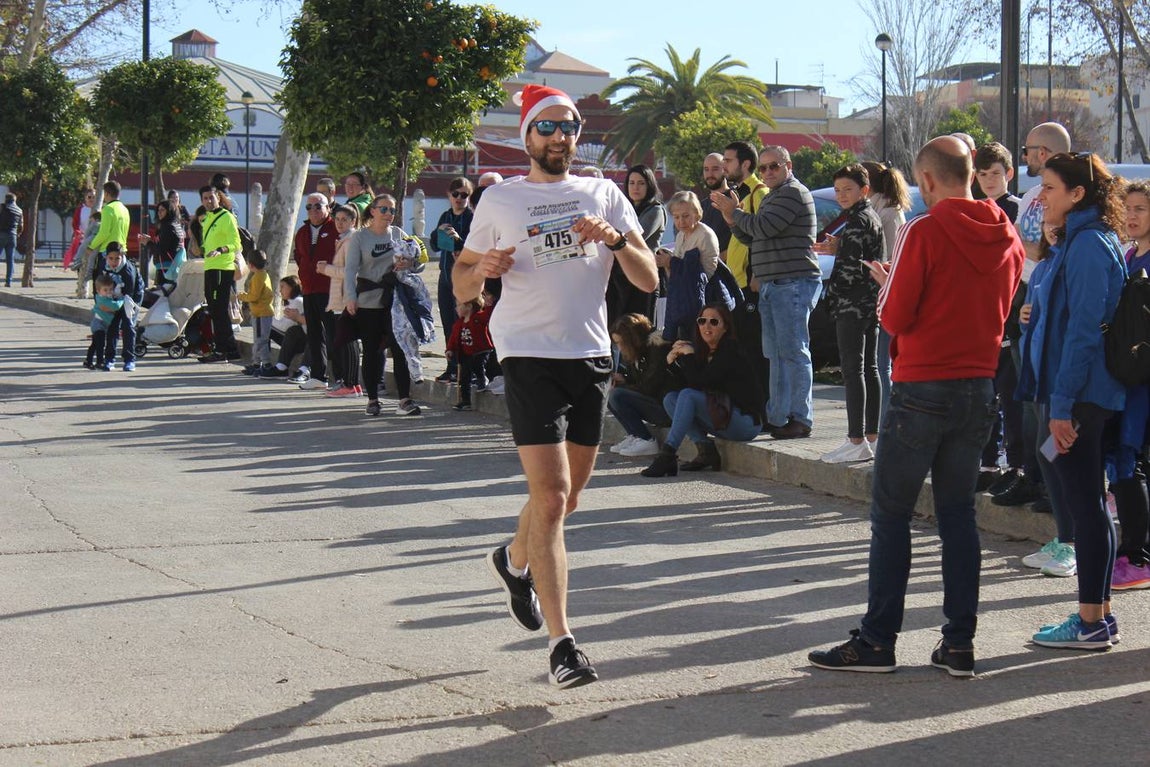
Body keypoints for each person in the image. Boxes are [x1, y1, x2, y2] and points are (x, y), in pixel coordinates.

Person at [453, 84, 657, 688]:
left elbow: (646, 277)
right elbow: (463, 285)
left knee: (565, 502)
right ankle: (564, 644)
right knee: (550, 497)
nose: (561, 137)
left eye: (569, 127)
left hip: (590, 355)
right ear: (528, 138)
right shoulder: (502, 200)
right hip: (527, 353)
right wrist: (481, 270)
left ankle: (514, 563)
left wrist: (617, 240)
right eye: (548, 128)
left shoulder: (604, 193)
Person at [808, 136, 1024, 677]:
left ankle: (878, 640)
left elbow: (895, 317)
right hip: (978, 384)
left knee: (892, 516)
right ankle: (959, 642)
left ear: (925, 180)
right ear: (972, 173)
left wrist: (887, 287)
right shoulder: (1008, 233)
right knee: (957, 516)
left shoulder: (922, 230)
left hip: (922, 385)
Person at [1019, 153, 1127, 650]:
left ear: (1078, 194)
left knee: (1085, 507)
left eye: (1051, 187)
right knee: (1088, 505)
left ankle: (1089, 622)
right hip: (1074, 393)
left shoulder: (1087, 246)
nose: (1042, 197)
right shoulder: (1077, 242)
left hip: (1080, 397)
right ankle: (1098, 616)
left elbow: (1084, 333)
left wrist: (1061, 406)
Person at [712, 145, 820, 439]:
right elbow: (750, 235)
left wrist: (734, 212)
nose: (769, 172)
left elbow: (764, 226)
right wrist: (732, 218)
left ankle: (800, 418)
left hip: (792, 282)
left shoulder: (793, 193)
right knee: (775, 354)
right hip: (775, 284)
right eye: (764, 168)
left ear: (789, 165)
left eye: (775, 166)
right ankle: (778, 417)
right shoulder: (773, 195)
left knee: (794, 352)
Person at [641, 303, 763, 477]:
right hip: (722, 416)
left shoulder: (730, 350)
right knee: (671, 399)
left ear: (725, 327)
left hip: (744, 423)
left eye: (714, 322)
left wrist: (689, 356)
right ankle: (706, 451)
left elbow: (701, 383)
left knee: (688, 396)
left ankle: (667, 455)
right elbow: (683, 385)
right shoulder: (703, 351)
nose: (706, 326)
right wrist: (670, 362)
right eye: (702, 321)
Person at [814, 164, 884, 463]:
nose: (842, 195)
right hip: (869, 303)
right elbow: (861, 257)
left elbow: (854, 268)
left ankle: (856, 438)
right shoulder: (868, 216)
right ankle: (870, 437)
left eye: (848, 190)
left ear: (864, 190)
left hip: (853, 305)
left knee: (854, 370)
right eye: (839, 190)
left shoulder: (857, 219)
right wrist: (838, 249)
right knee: (869, 369)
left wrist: (834, 291)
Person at [344, 193, 422, 417]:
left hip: (395, 301)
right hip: (368, 301)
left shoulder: (398, 234)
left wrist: (411, 263)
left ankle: (405, 399)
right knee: (371, 351)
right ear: (373, 210)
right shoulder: (360, 237)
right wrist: (350, 297)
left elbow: (419, 260)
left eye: (392, 210)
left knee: (400, 349)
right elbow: (350, 270)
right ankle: (373, 399)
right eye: (384, 209)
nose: (389, 214)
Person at [1109, 181, 1150, 590]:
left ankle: (1136, 556)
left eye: (1141, 208)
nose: (1133, 215)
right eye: (1128, 208)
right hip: (1127, 378)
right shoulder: (1127, 255)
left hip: (1143, 381)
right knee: (1126, 462)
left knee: (1129, 462)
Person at [860, 161, 910, 424]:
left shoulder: (888, 213)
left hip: (885, 291)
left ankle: (886, 420)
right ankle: (880, 419)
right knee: (876, 363)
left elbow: (889, 255)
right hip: (877, 292)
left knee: (881, 363)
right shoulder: (876, 209)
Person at [606, 313, 674, 457]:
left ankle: (645, 439)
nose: (619, 347)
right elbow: (639, 380)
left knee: (617, 395)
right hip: (655, 401)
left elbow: (650, 385)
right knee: (611, 390)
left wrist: (625, 387)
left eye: (620, 343)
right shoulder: (637, 352)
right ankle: (634, 435)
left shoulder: (657, 348)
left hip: (666, 408)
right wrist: (624, 379)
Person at [658, 190, 720, 341]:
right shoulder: (680, 236)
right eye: (677, 217)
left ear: (697, 214)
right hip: (683, 299)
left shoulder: (704, 234)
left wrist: (670, 262)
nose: (681, 221)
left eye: (685, 216)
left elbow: (704, 273)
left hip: (705, 299)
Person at [315, 204, 363, 397]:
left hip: (347, 297)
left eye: (344, 219)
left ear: (353, 221)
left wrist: (326, 269)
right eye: (337, 219)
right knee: (341, 341)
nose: (340, 223)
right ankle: (349, 382)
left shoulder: (351, 240)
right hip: (339, 297)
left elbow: (352, 272)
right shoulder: (343, 239)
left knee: (347, 341)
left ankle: (350, 384)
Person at [607, 164, 663, 326]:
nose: (635, 188)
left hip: (642, 276)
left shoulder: (655, 210)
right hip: (620, 276)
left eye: (641, 183)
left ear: (649, 185)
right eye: (631, 183)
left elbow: (636, 236)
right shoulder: (624, 210)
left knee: (638, 330)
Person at [292, 192, 337, 389]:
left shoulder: (335, 228)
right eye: (309, 207)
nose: (314, 210)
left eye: (318, 206)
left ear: (328, 207)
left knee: (334, 334)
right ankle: (318, 376)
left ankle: (341, 377)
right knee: (314, 334)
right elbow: (299, 257)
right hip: (309, 289)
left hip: (329, 289)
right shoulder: (302, 232)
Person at [433, 177, 475, 383]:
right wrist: (440, 232)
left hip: (465, 277)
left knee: (465, 323)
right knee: (448, 322)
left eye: (464, 195)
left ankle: (469, 369)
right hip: (445, 275)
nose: (459, 198)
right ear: (449, 195)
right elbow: (434, 244)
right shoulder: (445, 215)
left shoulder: (472, 217)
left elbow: (475, 247)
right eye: (455, 194)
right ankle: (451, 366)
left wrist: (458, 239)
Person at [196, 185, 243, 363]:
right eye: (205, 198)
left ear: (218, 197)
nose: (209, 201)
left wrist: (221, 250)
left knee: (219, 310)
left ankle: (226, 350)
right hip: (210, 267)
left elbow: (236, 243)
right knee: (214, 309)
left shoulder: (227, 217)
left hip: (222, 268)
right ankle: (225, 349)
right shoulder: (207, 219)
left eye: (211, 197)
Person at [93, 242, 144, 372]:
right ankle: (109, 359)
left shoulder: (128, 270)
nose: (114, 261)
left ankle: (129, 359)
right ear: (106, 257)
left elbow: (129, 294)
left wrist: (119, 307)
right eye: (111, 258)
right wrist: (101, 304)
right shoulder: (103, 267)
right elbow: (97, 287)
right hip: (112, 297)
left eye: (117, 258)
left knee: (127, 326)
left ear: (122, 257)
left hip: (130, 298)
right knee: (111, 326)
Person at [82, 181, 130, 299]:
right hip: (121, 251)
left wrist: (91, 247)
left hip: (107, 252)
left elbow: (103, 233)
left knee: (102, 286)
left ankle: (103, 311)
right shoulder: (125, 210)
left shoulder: (108, 209)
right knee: (118, 287)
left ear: (107, 193)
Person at [446, 297, 494, 411]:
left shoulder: (478, 317)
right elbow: (453, 339)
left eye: (459, 305)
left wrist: (489, 305)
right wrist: (449, 349)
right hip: (466, 353)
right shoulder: (459, 324)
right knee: (464, 376)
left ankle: (482, 379)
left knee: (478, 365)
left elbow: (489, 315)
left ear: (469, 306)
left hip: (481, 350)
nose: (456, 308)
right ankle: (465, 400)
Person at [260, 276, 309, 379]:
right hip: (296, 339)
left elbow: (285, 326)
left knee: (266, 326)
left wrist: (268, 317)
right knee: (264, 326)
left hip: (304, 340)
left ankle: (265, 363)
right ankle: (265, 362)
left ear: (292, 287)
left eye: (283, 287)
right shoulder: (292, 302)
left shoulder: (298, 301)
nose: (280, 290)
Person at [238, 249, 274, 375]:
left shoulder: (257, 277)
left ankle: (265, 363)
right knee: (259, 339)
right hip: (262, 312)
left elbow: (254, 296)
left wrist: (243, 296)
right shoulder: (264, 274)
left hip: (260, 313)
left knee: (260, 340)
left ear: (251, 265)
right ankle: (256, 363)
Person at [138, 200, 186, 289]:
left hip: (166, 268)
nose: (159, 213)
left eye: (162, 210)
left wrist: (147, 243)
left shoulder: (168, 227)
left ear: (169, 211)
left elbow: (161, 249)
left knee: (163, 297)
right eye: (158, 210)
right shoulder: (175, 225)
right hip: (171, 266)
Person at [84, 274, 123, 370]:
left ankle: (88, 361)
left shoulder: (108, 297)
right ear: (98, 291)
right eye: (105, 290)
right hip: (98, 324)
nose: (108, 292)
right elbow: (116, 306)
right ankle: (100, 362)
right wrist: (122, 300)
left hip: (104, 324)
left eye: (110, 289)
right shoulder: (101, 299)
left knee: (95, 344)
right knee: (100, 344)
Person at [699, 152, 732, 262]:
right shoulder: (701, 206)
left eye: (715, 169)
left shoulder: (735, 199)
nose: (710, 174)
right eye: (706, 169)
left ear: (725, 170)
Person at [62, 189, 95, 271]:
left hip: (95, 240)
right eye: (89, 197)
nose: (91, 199)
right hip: (82, 240)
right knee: (81, 262)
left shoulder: (99, 209)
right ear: (85, 198)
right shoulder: (81, 209)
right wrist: (78, 233)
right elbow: (75, 224)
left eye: (94, 197)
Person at [0, 192, 22, 288]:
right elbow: (21, 226)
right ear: (15, 200)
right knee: (10, 259)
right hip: (12, 236)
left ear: (6, 199)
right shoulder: (19, 210)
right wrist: (17, 234)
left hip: (1, 234)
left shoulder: (2, 207)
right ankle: (8, 281)